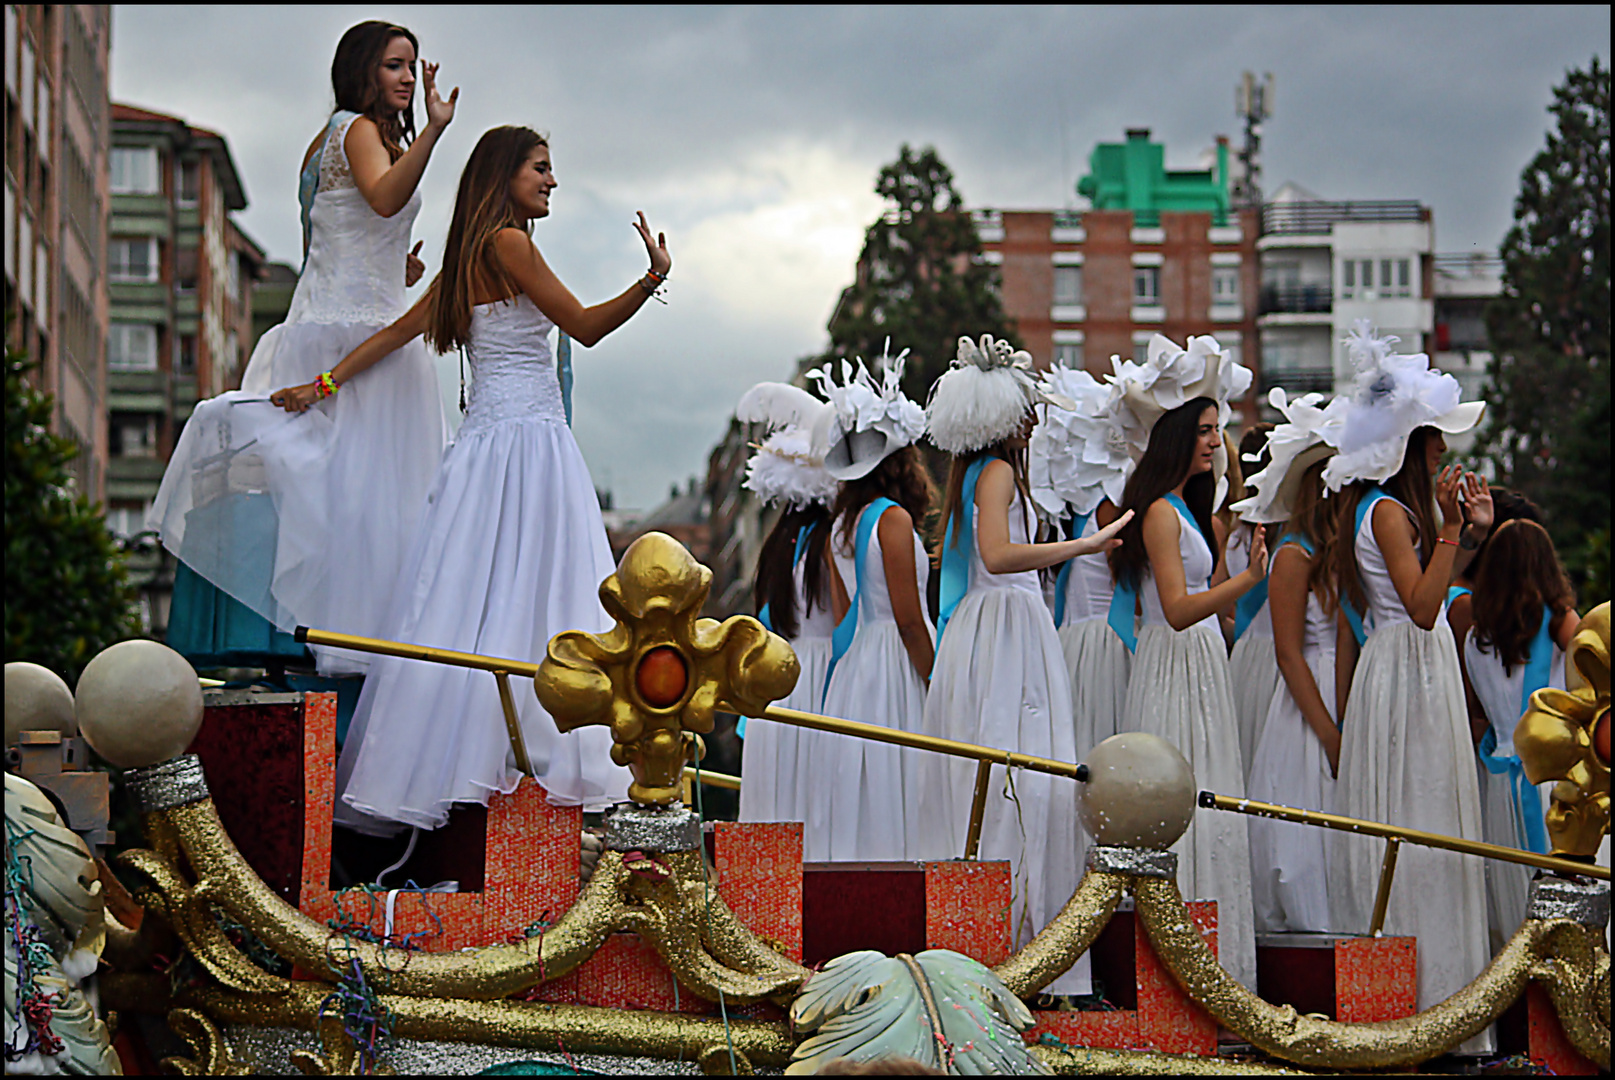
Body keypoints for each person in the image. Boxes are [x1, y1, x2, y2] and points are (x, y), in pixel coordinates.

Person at [271, 126, 671, 833]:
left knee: (468, 601)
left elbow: (396, 335)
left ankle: (466, 766)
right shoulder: (510, 244)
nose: (552, 181)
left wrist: (324, 383)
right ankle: (535, 767)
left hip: (483, 448)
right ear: (505, 175)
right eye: (541, 169)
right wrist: (651, 279)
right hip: (530, 445)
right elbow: (583, 327)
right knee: (544, 597)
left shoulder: (463, 257)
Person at [149, 21, 458, 676]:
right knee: (368, 514)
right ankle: (357, 658)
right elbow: (382, 195)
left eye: (412, 66)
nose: (408, 78)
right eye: (395, 66)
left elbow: (337, 230)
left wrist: (391, 265)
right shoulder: (358, 130)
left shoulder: (327, 141)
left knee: (337, 505)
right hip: (357, 338)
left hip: (330, 324)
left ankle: (328, 656)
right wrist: (433, 130)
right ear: (362, 71)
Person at [914, 335, 1130, 997]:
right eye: (1028, 408)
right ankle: (1025, 940)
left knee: (999, 771)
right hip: (1006, 625)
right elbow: (999, 556)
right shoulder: (999, 473)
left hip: (995, 626)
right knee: (1021, 772)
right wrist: (1082, 545)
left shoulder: (979, 474)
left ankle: (997, 932)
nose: (1037, 419)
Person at [1321, 323, 1493, 1046]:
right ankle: (1421, 1006)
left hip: (1407, 670)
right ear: (1408, 445)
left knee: (1430, 815)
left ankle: (1438, 1002)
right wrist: (1454, 532)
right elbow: (1423, 610)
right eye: (1433, 439)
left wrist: (1468, 532)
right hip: (1405, 668)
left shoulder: (1396, 511)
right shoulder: (1388, 511)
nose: (1444, 450)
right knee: (1418, 813)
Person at [1106, 333, 1260, 989]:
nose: (1211, 441)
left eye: (1215, 428)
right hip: (1174, 663)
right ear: (1174, 436)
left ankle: (1215, 964)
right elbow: (1175, 607)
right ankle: (1176, 969)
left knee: (1209, 787)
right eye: (1201, 430)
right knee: (1179, 795)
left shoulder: (1192, 513)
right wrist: (1249, 580)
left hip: (1199, 664)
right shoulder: (1161, 515)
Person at [799, 351, 932, 862]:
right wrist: (935, 677)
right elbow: (907, 618)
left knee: (863, 781)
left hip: (855, 667)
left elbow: (840, 613)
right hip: (896, 663)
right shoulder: (894, 520)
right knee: (901, 776)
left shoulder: (840, 524)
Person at [1229, 390, 1353, 933]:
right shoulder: (1293, 554)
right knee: (1301, 837)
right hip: (1304, 703)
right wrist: (1329, 732)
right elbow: (1287, 651)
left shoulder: (1337, 551)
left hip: (1339, 690)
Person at [1462, 519, 1577, 951]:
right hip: (1554, 774)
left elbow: (1479, 714)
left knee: (1511, 898)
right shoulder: (1560, 623)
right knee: (1567, 888)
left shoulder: (1476, 638)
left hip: (1499, 780)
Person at [732, 383, 841, 826]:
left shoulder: (777, 547)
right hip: (818, 677)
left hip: (774, 683)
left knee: (776, 802)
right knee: (817, 800)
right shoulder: (830, 544)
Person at [1026, 361, 1133, 779]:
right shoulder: (1103, 504)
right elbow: (1123, 576)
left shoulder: (1068, 510)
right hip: (1104, 643)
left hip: (1073, 638)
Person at [1225, 423, 1281, 781]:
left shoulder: (1234, 530)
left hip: (1245, 655)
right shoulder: (1283, 534)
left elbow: (1215, 594)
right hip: (1280, 657)